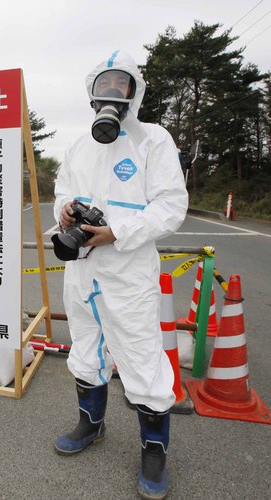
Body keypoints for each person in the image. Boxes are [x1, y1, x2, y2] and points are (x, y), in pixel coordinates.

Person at [52, 50, 188, 499]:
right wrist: (66, 210)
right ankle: (90, 425)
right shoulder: (78, 145)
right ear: (91, 93)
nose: (111, 96)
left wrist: (118, 232)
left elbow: (171, 206)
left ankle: (154, 451)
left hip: (128, 273)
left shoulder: (154, 140)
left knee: (142, 358)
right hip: (83, 271)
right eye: (104, 87)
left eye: (120, 87)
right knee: (85, 348)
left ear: (135, 93)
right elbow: (61, 193)